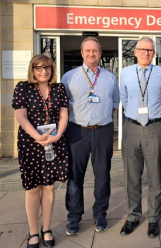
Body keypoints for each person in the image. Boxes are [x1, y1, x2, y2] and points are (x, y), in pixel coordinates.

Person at [61, 37, 120, 235]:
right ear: (82, 53)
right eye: (88, 51)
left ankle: (100, 214)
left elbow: (114, 103)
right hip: (77, 131)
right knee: (75, 176)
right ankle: (74, 217)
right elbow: (62, 106)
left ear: (100, 53)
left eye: (95, 51)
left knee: (102, 175)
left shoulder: (110, 78)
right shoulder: (68, 77)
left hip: (103, 131)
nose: (91, 54)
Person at [12, 54, 69, 248]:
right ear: (33, 70)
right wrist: (36, 136)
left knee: (50, 187)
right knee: (33, 188)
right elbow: (20, 116)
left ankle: (46, 229)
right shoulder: (23, 87)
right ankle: (33, 231)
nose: (44, 71)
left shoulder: (59, 88)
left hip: (53, 142)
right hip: (31, 143)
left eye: (47, 68)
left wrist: (58, 135)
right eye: (39, 68)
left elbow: (63, 113)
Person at [119, 37, 161, 237]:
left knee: (156, 177)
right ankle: (132, 216)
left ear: (154, 53)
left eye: (149, 50)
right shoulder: (126, 73)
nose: (146, 53)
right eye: (142, 49)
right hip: (131, 128)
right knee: (131, 177)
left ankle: (154, 218)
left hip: (154, 128)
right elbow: (124, 98)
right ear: (135, 51)